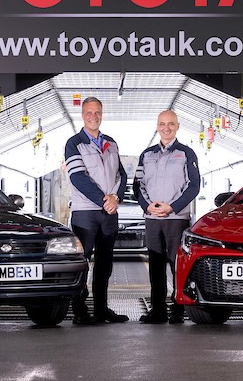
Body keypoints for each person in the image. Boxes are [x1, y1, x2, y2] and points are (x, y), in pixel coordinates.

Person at [64, 96, 129, 325]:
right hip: (85, 213)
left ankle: (101, 310)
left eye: (97, 112)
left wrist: (116, 197)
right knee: (82, 262)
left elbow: (122, 175)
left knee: (105, 264)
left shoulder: (111, 143)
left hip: (109, 213)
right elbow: (78, 177)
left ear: (102, 114)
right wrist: (105, 200)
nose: (94, 116)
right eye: (89, 113)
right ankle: (80, 311)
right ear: (82, 115)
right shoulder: (74, 143)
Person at [135, 109, 201, 324]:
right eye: (162, 124)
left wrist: (172, 207)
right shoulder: (146, 155)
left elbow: (194, 186)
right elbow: (138, 185)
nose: (166, 128)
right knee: (155, 266)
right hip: (152, 219)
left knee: (177, 265)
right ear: (157, 126)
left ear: (177, 126)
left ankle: (178, 310)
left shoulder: (186, 153)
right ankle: (158, 311)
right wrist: (147, 206)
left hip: (176, 219)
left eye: (171, 124)